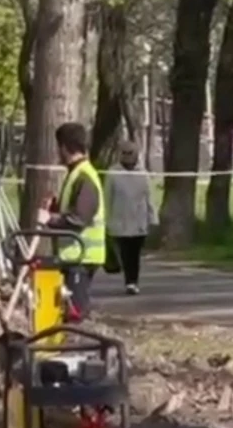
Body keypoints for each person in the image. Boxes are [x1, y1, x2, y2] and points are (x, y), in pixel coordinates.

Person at [41, 122, 105, 320]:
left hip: (82, 256)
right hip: (74, 256)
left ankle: (79, 346)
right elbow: (72, 210)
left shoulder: (84, 176)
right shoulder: (76, 173)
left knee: (75, 312)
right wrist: (54, 208)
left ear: (64, 147)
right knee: (68, 308)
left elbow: (79, 218)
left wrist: (50, 219)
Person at [106, 139, 154, 294]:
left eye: (130, 153)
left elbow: (149, 197)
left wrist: (153, 218)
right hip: (119, 220)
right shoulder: (113, 173)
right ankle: (129, 280)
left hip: (139, 220)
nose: (127, 156)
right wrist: (105, 220)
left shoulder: (143, 173)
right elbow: (107, 198)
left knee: (135, 253)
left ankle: (133, 281)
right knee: (125, 252)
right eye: (124, 153)